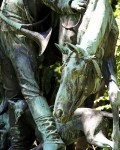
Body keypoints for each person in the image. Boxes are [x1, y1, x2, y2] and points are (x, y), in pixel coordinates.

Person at [0, 0, 87, 149]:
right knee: (15, 95)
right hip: (8, 26)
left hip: (19, 28)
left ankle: (51, 136)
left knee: (27, 89)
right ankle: (19, 143)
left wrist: (67, 4)